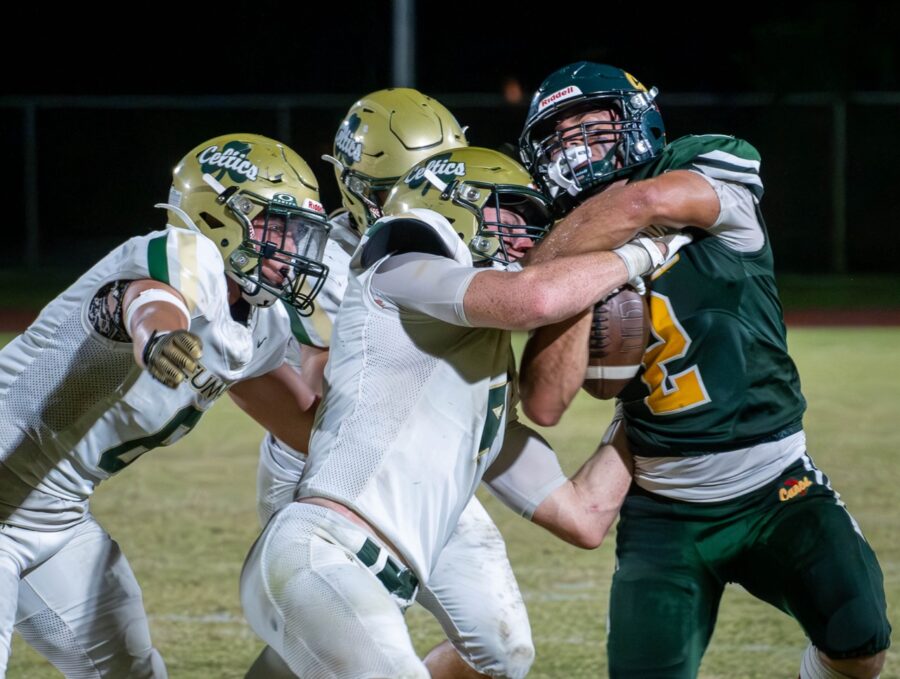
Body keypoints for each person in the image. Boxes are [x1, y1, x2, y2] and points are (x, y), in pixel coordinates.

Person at [240, 144, 682, 678]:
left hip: (365, 580)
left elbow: (583, 515)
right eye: (510, 214)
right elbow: (531, 300)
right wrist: (644, 252)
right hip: (323, 552)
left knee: (503, 658)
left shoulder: (484, 383)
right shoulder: (399, 260)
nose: (524, 237)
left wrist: (651, 403)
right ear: (452, 208)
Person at [517, 61, 891, 679]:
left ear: (638, 119)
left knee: (860, 643)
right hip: (665, 508)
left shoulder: (699, 164)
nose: (576, 144)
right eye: (559, 136)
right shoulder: (573, 254)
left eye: (592, 124)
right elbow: (547, 402)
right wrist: (569, 291)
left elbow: (645, 201)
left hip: (777, 484)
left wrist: (546, 261)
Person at [0, 133, 329, 677]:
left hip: (54, 517)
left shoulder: (256, 323)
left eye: (298, 233)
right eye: (278, 226)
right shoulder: (185, 253)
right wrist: (159, 336)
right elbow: (144, 297)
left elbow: (309, 430)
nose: (292, 247)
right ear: (222, 217)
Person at [249, 88, 550, 679]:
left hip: (426, 465)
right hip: (329, 470)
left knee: (502, 650)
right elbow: (303, 391)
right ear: (357, 186)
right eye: (400, 186)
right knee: (330, 639)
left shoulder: (455, 242)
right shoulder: (318, 256)